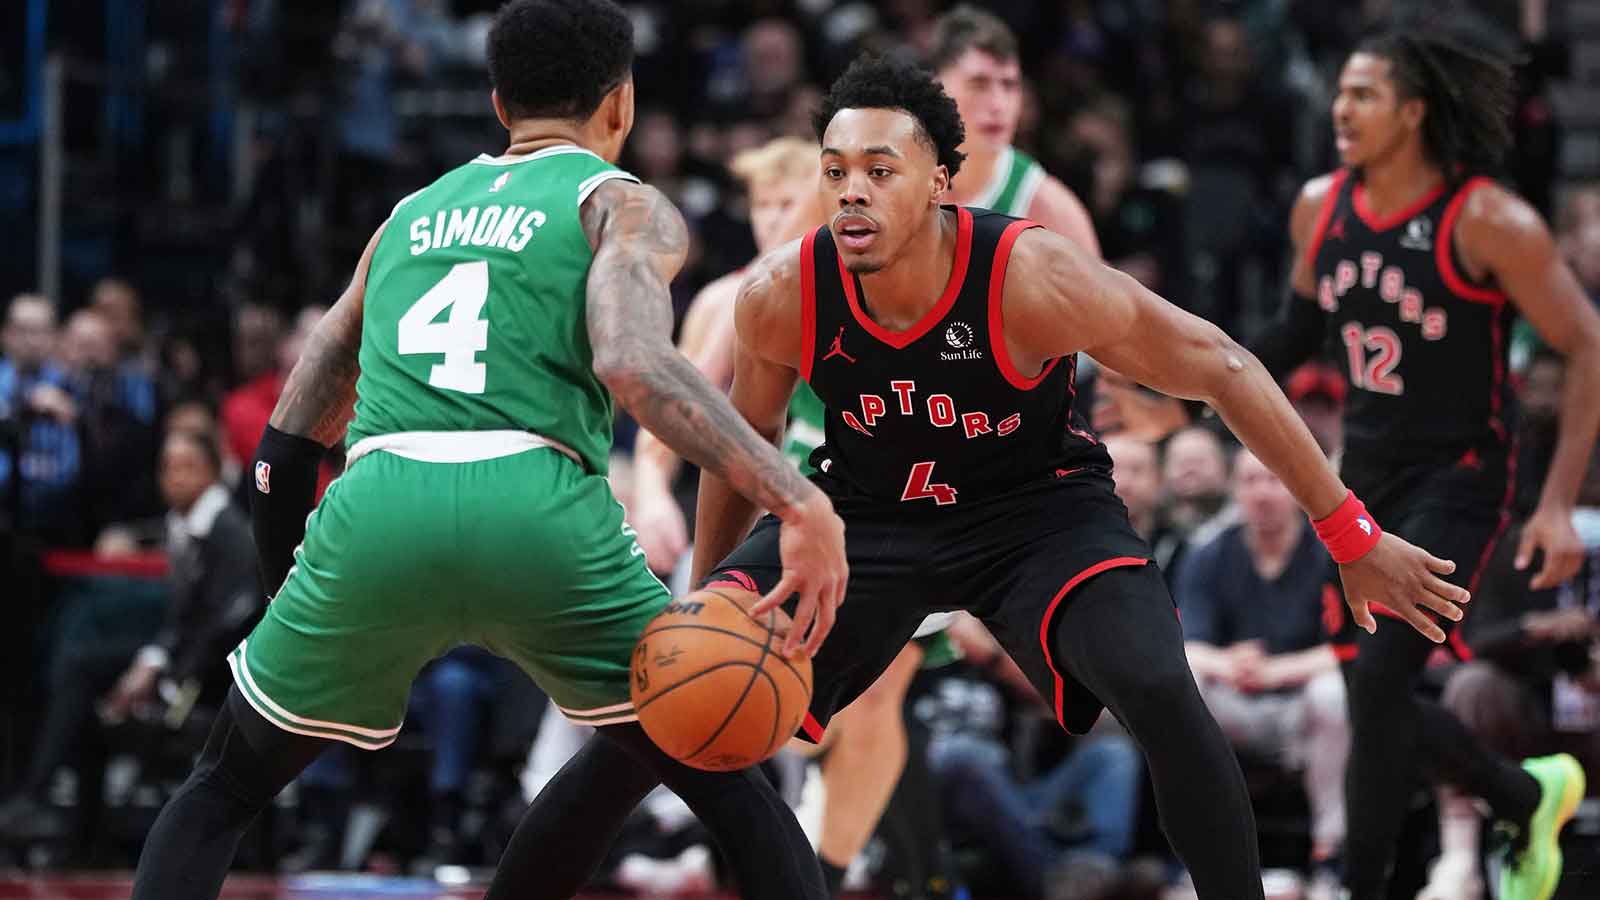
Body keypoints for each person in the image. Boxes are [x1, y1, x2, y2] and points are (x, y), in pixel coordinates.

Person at [682, 52, 1468, 900]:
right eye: (836, 172)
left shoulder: (1032, 272)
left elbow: (1224, 366)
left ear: (943, 182)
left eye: (879, 170)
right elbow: (742, 438)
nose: (851, 192)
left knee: (1161, 688)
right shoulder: (779, 292)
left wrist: (1348, 531)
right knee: (670, 707)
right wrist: (707, 594)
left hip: (1039, 512)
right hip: (870, 512)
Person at [128, 2, 844, 898]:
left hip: (379, 505)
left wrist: (290, 593)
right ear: (620, 105)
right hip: (536, 504)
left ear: (500, 104)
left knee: (221, 787)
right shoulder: (622, 203)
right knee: (726, 779)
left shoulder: (406, 216)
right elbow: (632, 361)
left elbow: (288, 433)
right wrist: (796, 498)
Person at [1252, 28, 1600, 900]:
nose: (1340, 108)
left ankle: (1362, 887)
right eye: (1339, 92)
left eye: (1363, 94)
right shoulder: (1317, 207)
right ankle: (1527, 794)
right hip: (1360, 473)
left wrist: (1556, 505)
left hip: (1462, 475)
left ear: (1413, 111)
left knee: (1377, 682)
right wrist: (1172, 376)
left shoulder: (1488, 219)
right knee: (1369, 692)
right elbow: (1287, 340)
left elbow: (1588, 343)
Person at [628, 135, 957, 899]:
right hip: (765, 520)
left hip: (877, 517)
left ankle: (831, 873)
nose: (778, 216)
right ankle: (741, 852)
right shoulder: (734, 296)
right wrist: (649, 489)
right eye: (764, 204)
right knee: (748, 701)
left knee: (877, 692)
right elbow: (670, 406)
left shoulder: (882, 275)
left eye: (791, 200)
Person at [1175, 449, 1348, 898]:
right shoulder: (1209, 554)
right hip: (1232, 710)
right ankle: (1199, 857)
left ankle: (1332, 857)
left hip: (1303, 709)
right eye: (1250, 481)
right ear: (1235, 490)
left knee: (1334, 691)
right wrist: (1231, 663)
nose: (1261, 493)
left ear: (1296, 489)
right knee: (1185, 677)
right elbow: (1186, 646)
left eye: (1273, 480)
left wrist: (1276, 670)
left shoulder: (1329, 554)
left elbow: (1353, 648)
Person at [929, 6, 1099, 254]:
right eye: (979, 84)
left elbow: (1100, 292)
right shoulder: (898, 183)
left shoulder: (1049, 208)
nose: (998, 104)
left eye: (1009, 85)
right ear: (936, 89)